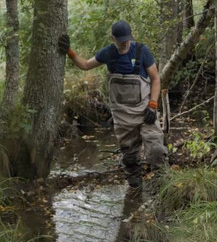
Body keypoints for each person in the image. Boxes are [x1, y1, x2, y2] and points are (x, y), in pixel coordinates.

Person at [58, 20, 168, 187]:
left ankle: (163, 186)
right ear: (113, 39)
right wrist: (70, 52)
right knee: (129, 157)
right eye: (121, 40)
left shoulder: (141, 51)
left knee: (157, 151)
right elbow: (86, 65)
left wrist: (153, 104)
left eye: (127, 40)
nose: (124, 43)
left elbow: (155, 78)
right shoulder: (108, 54)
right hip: (122, 115)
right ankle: (135, 191)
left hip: (145, 112)